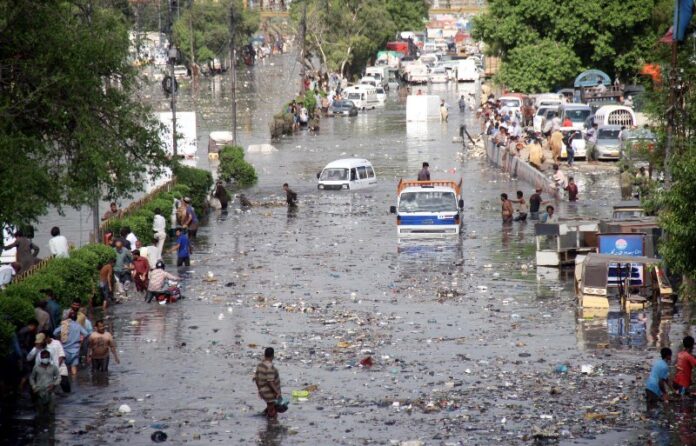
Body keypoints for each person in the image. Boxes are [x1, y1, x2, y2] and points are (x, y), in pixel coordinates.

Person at [53, 311, 89, 376]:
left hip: (65, 350)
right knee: (73, 368)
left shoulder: (64, 325)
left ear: (68, 318)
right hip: (76, 350)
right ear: (76, 318)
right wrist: (81, 342)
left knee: (65, 368)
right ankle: (74, 381)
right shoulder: (78, 326)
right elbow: (86, 334)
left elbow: (54, 333)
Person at [29, 350, 61, 416]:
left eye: (46, 357)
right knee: (40, 413)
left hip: (50, 392)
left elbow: (59, 377)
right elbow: (31, 378)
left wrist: (54, 384)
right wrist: (33, 386)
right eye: (43, 357)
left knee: (51, 412)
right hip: (39, 392)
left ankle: (51, 424)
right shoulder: (36, 367)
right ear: (41, 358)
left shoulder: (53, 367)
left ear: (49, 358)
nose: (45, 359)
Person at [254, 347, 282, 419]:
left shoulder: (260, 365)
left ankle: (265, 419)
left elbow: (256, 379)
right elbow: (270, 381)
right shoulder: (269, 367)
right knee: (272, 412)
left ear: (265, 354)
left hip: (263, 391)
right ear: (272, 355)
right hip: (270, 393)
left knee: (270, 407)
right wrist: (277, 392)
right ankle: (271, 426)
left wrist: (259, 390)